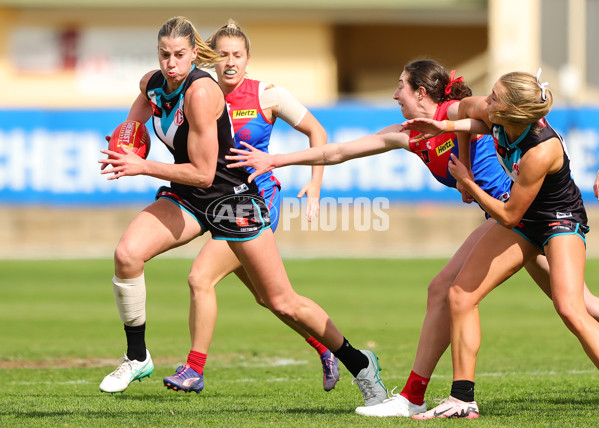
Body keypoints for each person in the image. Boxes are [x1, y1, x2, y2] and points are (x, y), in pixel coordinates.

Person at [226, 60, 599, 417]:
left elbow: (490, 126)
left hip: (519, 213)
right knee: (574, 303)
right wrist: (277, 160)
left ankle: (421, 396)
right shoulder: (412, 134)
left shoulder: (466, 111)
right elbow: (337, 151)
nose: (393, 95)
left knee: (556, 304)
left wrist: (465, 176)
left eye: (399, 86)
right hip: (510, 218)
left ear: (422, 93)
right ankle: (425, 396)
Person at [96, 16, 386, 407]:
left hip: (231, 199)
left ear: (195, 55)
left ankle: (360, 363)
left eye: (179, 55)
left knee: (281, 300)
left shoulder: (201, 92)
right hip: (187, 197)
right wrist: (125, 145)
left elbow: (202, 173)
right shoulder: (152, 85)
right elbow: (135, 122)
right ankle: (137, 356)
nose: (171, 63)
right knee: (127, 255)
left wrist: (142, 166)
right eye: (164, 55)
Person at [397, 69, 599, 419]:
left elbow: (506, 215)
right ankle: (462, 401)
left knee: (571, 308)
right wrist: (443, 128)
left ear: (511, 111)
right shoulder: (497, 115)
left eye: (493, 98)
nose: (485, 101)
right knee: (460, 294)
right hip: (525, 219)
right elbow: (474, 121)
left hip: (558, 220)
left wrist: (467, 182)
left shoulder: (540, 150)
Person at [161, 19, 339, 395]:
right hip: (215, 203)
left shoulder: (267, 95)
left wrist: (315, 183)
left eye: (237, 55)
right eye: (222, 55)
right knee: (270, 298)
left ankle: (194, 369)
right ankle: (327, 348)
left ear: (248, 58)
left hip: (255, 203)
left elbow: (318, 133)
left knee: (200, 277)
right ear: (210, 59)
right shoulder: (199, 92)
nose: (230, 62)